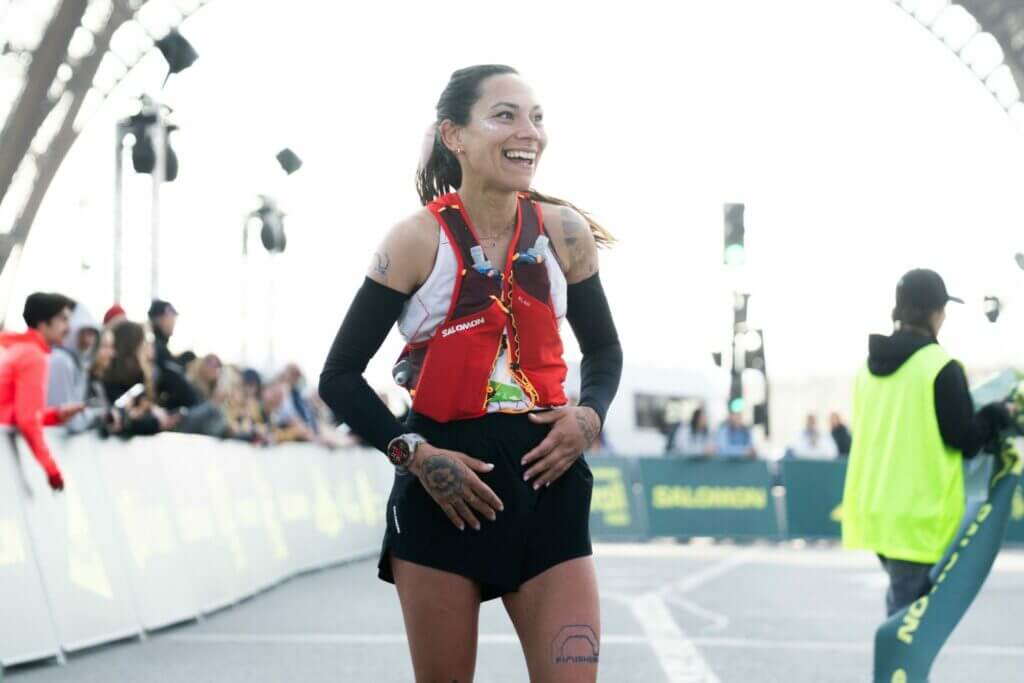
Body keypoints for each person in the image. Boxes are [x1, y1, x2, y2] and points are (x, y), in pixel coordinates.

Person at [318, 65, 622, 682]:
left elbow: (605, 353)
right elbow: (340, 375)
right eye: (505, 115)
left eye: (536, 117)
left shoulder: (564, 234)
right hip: (444, 493)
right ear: (453, 136)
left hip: (549, 485)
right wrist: (415, 455)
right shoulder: (415, 239)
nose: (528, 132)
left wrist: (588, 418)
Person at [842, 268, 1014, 616]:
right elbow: (964, 438)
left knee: (906, 612)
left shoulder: (866, 370)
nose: (945, 316)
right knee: (909, 628)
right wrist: (997, 414)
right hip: (919, 518)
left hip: (878, 513)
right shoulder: (940, 366)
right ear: (934, 313)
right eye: (943, 309)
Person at [0, 293, 85, 490]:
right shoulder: (33, 356)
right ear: (43, 324)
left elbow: (14, 413)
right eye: (63, 319)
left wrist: (55, 415)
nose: (68, 327)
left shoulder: (19, 349)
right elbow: (27, 419)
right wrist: (52, 471)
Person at [102, 321, 180, 435]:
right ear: (132, 347)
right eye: (144, 343)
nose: (149, 347)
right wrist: (155, 421)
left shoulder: (137, 381)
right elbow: (122, 423)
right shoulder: (110, 382)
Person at [47, 302, 100, 433]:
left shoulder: (78, 364)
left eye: (92, 335)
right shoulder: (61, 361)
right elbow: (67, 419)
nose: (89, 342)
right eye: (85, 334)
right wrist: (96, 417)